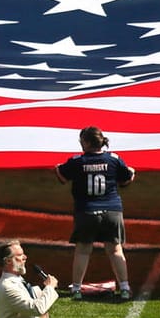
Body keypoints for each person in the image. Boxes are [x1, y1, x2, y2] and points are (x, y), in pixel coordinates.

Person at [53, 126, 135, 300]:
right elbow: (127, 179)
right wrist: (132, 173)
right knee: (115, 250)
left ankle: (76, 289)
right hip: (112, 210)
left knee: (83, 251)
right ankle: (125, 288)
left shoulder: (78, 161)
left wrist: (58, 167)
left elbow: (61, 175)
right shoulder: (113, 159)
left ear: (88, 142)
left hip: (86, 211)